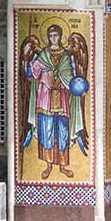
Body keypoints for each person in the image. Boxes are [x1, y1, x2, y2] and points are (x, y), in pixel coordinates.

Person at [23, 25, 89, 179]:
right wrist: (27, 60)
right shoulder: (43, 55)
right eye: (51, 35)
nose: (53, 38)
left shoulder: (66, 56)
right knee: (47, 132)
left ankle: (63, 166)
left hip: (62, 98)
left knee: (62, 132)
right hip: (45, 99)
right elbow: (32, 74)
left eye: (56, 35)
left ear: (60, 36)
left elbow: (71, 78)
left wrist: (79, 90)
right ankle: (48, 165)